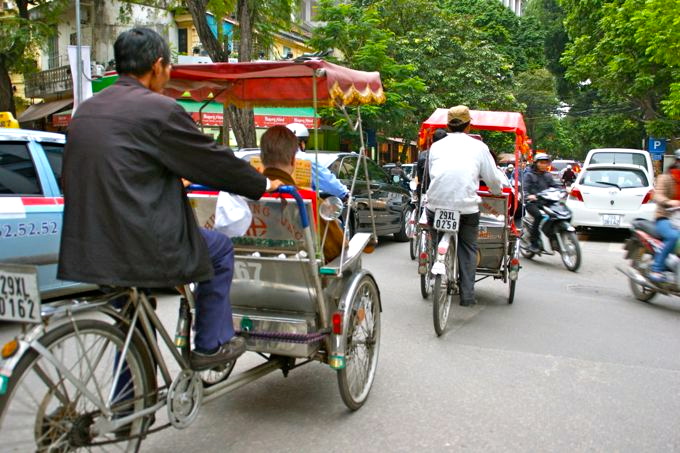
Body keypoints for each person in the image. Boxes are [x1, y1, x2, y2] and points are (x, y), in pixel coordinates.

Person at [58, 28, 283, 371]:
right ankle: (210, 343)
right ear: (158, 65)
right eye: (169, 68)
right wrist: (261, 184)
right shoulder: (158, 110)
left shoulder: (86, 111)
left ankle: (126, 413)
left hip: (90, 241)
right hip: (142, 241)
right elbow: (210, 159)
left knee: (131, 325)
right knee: (220, 249)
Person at [426, 105, 504, 307]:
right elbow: (493, 179)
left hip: (436, 206)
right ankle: (467, 296)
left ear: (448, 126)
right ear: (469, 125)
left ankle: (437, 261)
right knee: (468, 248)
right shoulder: (479, 147)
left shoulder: (436, 147)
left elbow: (430, 175)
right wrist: (496, 190)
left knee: (436, 241)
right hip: (466, 209)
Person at [259, 125, 345, 263]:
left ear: (261, 159)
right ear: (293, 160)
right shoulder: (310, 202)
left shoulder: (242, 196)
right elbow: (337, 250)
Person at [286, 123, 349, 200]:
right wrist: (345, 194)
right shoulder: (306, 160)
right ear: (302, 143)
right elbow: (327, 181)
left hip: (272, 205)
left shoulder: (271, 158)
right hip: (299, 206)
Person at [649, 150, 680, 282]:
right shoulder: (665, 178)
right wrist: (669, 202)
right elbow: (657, 195)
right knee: (673, 237)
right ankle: (656, 268)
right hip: (664, 217)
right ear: (677, 162)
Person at [524, 153, 560, 253]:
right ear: (536, 163)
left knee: (557, 214)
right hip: (532, 203)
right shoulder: (529, 175)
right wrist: (529, 196)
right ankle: (534, 243)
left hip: (546, 202)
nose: (544, 165)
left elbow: (555, 186)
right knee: (538, 216)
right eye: (541, 163)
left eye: (546, 163)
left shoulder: (548, 175)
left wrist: (564, 190)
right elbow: (524, 189)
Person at [416, 128, 447, 196]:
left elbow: (419, 177)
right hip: (445, 194)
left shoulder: (424, 155)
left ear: (432, 140)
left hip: (426, 193)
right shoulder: (451, 156)